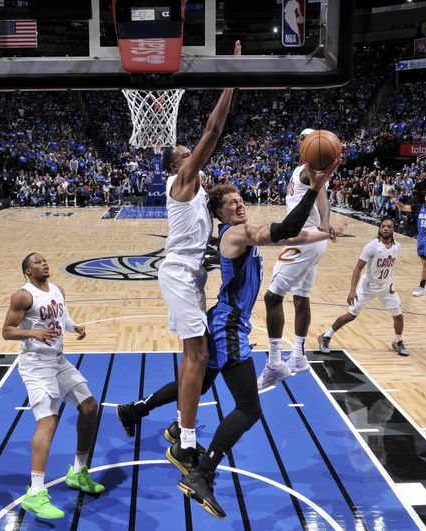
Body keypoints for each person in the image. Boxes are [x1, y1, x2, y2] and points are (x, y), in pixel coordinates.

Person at [118, 162, 340, 518]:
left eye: (240, 199)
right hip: (228, 328)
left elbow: (294, 236)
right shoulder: (233, 235)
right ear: (218, 212)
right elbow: (284, 229)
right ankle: (202, 474)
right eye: (230, 203)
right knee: (249, 409)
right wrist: (314, 189)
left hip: (223, 322)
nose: (239, 205)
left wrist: (324, 232)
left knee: (196, 387)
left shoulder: (242, 231)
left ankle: (136, 410)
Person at [158, 40, 241, 461]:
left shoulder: (197, 196)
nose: (193, 157)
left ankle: (179, 428)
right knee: (199, 352)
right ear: (177, 167)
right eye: (185, 156)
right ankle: (185, 443)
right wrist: (231, 80)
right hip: (179, 271)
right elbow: (212, 131)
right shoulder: (183, 183)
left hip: (192, 273)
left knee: (199, 353)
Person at [2, 253, 104, 520]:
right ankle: (35, 493)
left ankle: (78, 472)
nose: (43, 263)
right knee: (48, 422)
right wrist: (32, 332)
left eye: (44, 260)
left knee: (90, 407)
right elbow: (7, 330)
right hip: (35, 365)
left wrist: (75, 327)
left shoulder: (58, 289)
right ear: (27, 271)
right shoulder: (22, 296)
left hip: (58, 361)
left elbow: (63, 319)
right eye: (37, 262)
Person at [256, 128, 337, 390]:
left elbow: (320, 191)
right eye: (302, 138)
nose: (304, 143)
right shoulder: (304, 171)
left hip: (303, 241)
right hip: (315, 240)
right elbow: (322, 194)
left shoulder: (307, 170)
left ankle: (275, 363)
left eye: (309, 140)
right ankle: (299, 355)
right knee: (301, 298)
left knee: (272, 297)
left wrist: (324, 223)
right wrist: (325, 225)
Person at [317, 217, 410, 357]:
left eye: (389, 226)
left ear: (393, 229)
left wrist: (390, 282)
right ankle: (325, 336)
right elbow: (357, 269)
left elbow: (390, 267)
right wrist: (352, 290)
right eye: (383, 226)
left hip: (385, 287)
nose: (386, 228)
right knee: (350, 316)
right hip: (367, 286)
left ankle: (398, 341)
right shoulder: (372, 246)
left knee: (398, 315)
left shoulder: (397, 246)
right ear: (379, 228)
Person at [391, 190, 426, 296]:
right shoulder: (418, 207)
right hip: (420, 237)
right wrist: (397, 202)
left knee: (425, 263)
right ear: (425, 197)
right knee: (424, 263)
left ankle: (421, 287)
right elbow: (403, 208)